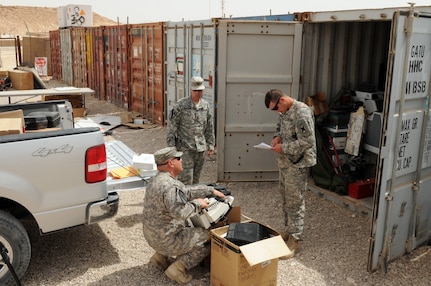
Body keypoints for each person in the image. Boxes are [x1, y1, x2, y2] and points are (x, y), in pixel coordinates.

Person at [142, 146, 225, 284]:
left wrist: (210, 190)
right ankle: (178, 269)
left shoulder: (155, 180)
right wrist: (198, 204)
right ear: (171, 163)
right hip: (166, 240)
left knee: (176, 226)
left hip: (151, 237)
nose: (182, 160)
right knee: (207, 237)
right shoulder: (171, 187)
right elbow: (180, 213)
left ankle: (159, 258)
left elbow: (184, 191)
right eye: (179, 158)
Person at [264, 89, 317, 259]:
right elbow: (280, 127)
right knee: (285, 197)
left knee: (295, 200)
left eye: (275, 109)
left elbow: (307, 142)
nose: (276, 113)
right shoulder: (284, 111)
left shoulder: (302, 112)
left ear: (282, 100)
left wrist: (283, 148)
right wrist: (277, 137)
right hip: (286, 161)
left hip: (298, 163)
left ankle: (295, 239)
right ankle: (289, 229)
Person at [167, 76, 215, 185]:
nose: (198, 93)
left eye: (200, 91)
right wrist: (171, 148)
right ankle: (184, 199)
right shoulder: (181, 105)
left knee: (196, 179)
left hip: (200, 148)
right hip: (185, 147)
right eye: (195, 91)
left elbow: (209, 127)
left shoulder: (205, 106)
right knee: (186, 178)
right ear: (191, 90)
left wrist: (211, 144)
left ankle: (193, 199)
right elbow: (172, 127)